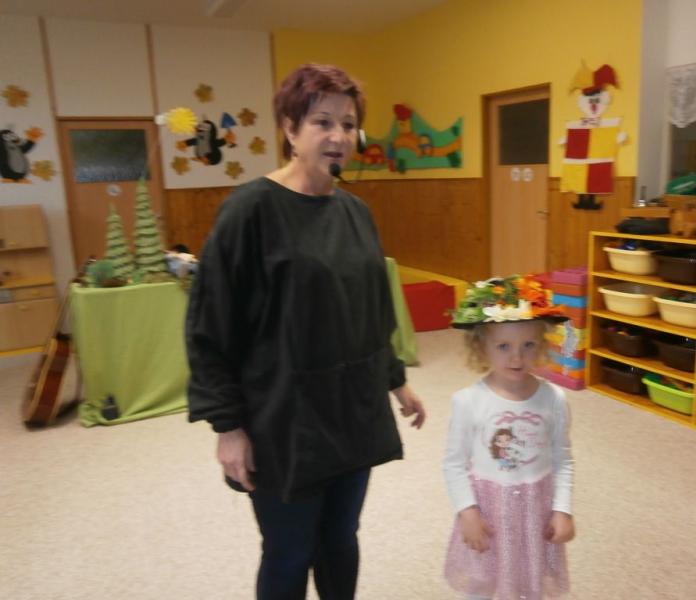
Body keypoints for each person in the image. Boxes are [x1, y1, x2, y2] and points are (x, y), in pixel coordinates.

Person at [185, 63, 426, 600]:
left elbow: (372, 311)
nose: (338, 136)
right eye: (322, 122)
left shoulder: (357, 213)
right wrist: (228, 426)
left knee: (340, 539)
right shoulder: (249, 211)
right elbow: (209, 326)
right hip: (283, 420)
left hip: (352, 410)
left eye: (348, 123)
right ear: (290, 129)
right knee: (289, 550)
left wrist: (395, 379)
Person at [443, 274, 575, 600]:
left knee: (530, 580)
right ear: (481, 347)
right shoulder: (468, 401)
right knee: (483, 579)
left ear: (541, 345)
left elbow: (563, 459)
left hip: (535, 513)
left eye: (528, 345)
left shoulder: (554, 399)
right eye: (503, 346)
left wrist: (562, 509)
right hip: (488, 513)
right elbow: (454, 464)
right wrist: (467, 512)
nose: (517, 358)